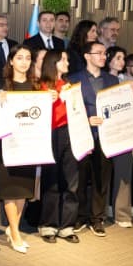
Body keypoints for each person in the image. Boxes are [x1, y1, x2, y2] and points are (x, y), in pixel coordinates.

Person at [68, 40, 116, 236]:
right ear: (87, 56)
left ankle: (97, 218)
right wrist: (86, 120)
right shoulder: (73, 79)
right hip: (82, 135)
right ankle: (79, 216)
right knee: (79, 179)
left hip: (105, 137)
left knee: (101, 179)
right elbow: (70, 110)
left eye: (105, 53)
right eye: (99, 53)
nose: (104, 56)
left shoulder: (113, 80)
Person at [0, 45, 38, 252]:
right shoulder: (1, 85)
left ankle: (13, 229)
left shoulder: (36, 86)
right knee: (10, 190)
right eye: (19, 57)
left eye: (28, 58)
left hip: (28, 145)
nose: (24, 62)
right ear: (11, 61)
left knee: (23, 190)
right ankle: (15, 233)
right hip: (8, 145)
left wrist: (50, 99)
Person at [35, 50, 81, 242]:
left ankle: (67, 226)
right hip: (50, 134)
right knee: (51, 181)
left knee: (71, 182)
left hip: (71, 133)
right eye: (63, 59)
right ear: (53, 62)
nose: (67, 62)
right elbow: (34, 113)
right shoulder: (41, 86)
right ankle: (48, 225)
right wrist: (45, 100)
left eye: (67, 59)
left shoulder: (70, 85)